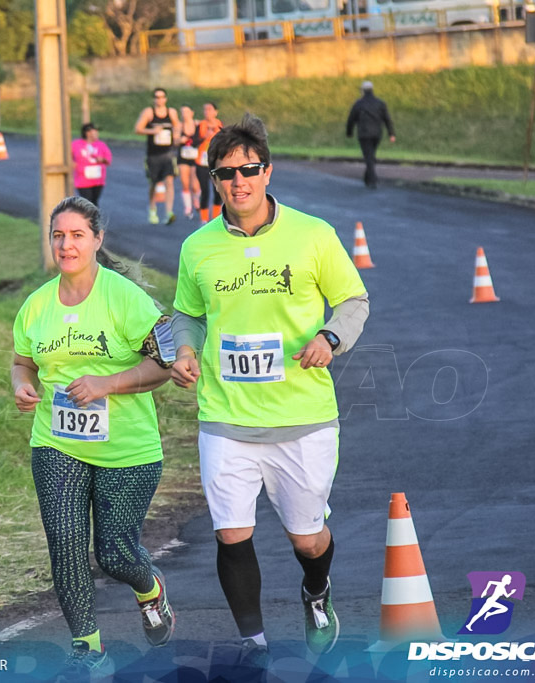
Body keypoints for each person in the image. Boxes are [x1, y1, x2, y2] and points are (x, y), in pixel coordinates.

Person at [170, 115, 370, 667]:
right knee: (231, 533)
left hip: (301, 415)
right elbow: (186, 315)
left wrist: (331, 336)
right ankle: (252, 644)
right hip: (226, 415)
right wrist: (184, 351)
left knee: (307, 540)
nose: (239, 182)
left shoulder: (313, 235)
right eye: (226, 173)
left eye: (249, 170)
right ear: (214, 179)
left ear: (267, 171)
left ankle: (316, 591)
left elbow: (354, 301)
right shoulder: (198, 247)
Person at [11, 196, 177, 681]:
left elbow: (164, 365)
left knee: (113, 553)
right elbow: (23, 360)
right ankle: (88, 648)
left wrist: (106, 384)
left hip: (127, 449)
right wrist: (23, 385)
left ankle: (150, 590)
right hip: (56, 442)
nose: (66, 244)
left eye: (77, 234)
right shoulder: (36, 305)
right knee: (64, 541)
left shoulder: (126, 299)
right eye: (58, 235)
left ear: (97, 240)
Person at [134, 87, 181, 225]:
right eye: (157, 97)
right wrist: (152, 131)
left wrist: (176, 134)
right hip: (153, 155)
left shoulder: (171, 112)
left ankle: (168, 212)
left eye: (162, 97)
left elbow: (177, 126)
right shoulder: (149, 112)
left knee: (170, 181)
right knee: (154, 183)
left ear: (165, 99)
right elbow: (138, 129)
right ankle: (152, 209)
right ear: (153, 99)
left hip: (168, 153)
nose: (159, 99)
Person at [346, 81, 395, 189]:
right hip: (377, 134)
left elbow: (351, 119)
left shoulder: (358, 104)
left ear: (362, 91)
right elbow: (387, 119)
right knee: (371, 155)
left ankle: (372, 180)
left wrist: (349, 132)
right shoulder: (380, 103)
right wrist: (391, 133)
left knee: (368, 156)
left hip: (364, 134)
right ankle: (367, 177)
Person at [194, 101, 224, 223]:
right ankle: (203, 220)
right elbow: (193, 142)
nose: (207, 112)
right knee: (204, 191)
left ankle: (215, 219)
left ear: (216, 112)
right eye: (205, 109)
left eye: (210, 109)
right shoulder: (200, 125)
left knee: (218, 191)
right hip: (201, 163)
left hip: (215, 163)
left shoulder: (220, 126)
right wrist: (204, 138)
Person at [72, 122, 113, 207]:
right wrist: (72, 163)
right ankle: (88, 219)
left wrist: (102, 159)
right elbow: (67, 156)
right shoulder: (76, 144)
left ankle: (94, 219)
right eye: (94, 131)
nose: (96, 134)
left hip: (98, 180)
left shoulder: (101, 145)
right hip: (83, 180)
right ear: (87, 133)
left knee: (95, 202)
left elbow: (108, 160)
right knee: (87, 202)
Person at [177, 104, 201, 219]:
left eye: (186, 112)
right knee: (185, 183)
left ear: (192, 113)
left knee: (195, 185)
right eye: (182, 112)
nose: (184, 115)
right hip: (183, 157)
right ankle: (188, 207)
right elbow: (174, 141)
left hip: (195, 157)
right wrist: (180, 140)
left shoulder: (198, 124)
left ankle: (196, 199)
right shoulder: (179, 126)